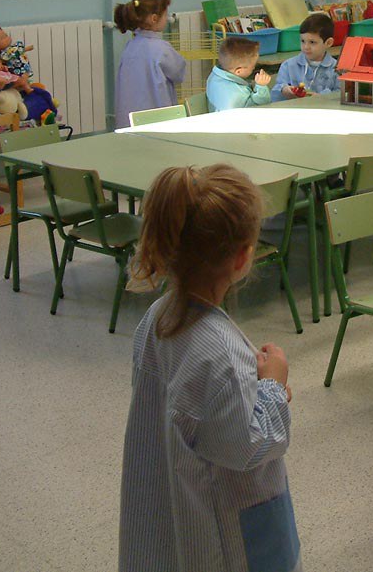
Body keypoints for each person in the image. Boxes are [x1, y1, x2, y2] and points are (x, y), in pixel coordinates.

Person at [119, 163, 300, 572]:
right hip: (225, 531)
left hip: (172, 498)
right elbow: (250, 445)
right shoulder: (220, 353)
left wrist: (252, 388)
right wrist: (272, 385)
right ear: (242, 257)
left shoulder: (156, 317)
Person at [112, 0, 186, 128]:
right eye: (165, 15)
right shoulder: (162, 49)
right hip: (157, 117)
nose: (167, 19)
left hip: (130, 119)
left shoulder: (130, 47)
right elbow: (178, 73)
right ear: (154, 19)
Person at [271, 12, 340, 102]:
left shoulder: (338, 69)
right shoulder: (288, 65)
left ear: (328, 43)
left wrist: (321, 98)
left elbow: (340, 96)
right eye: (303, 41)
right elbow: (275, 95)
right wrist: (284, 90)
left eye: (312, 42)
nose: (306, 47)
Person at [206, 36, 273, 112]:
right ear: (238, 71)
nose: (254, 68)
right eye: (252, 66)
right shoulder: (238, 95)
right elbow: (261, 108)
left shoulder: (214, 76)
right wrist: (261, 87)